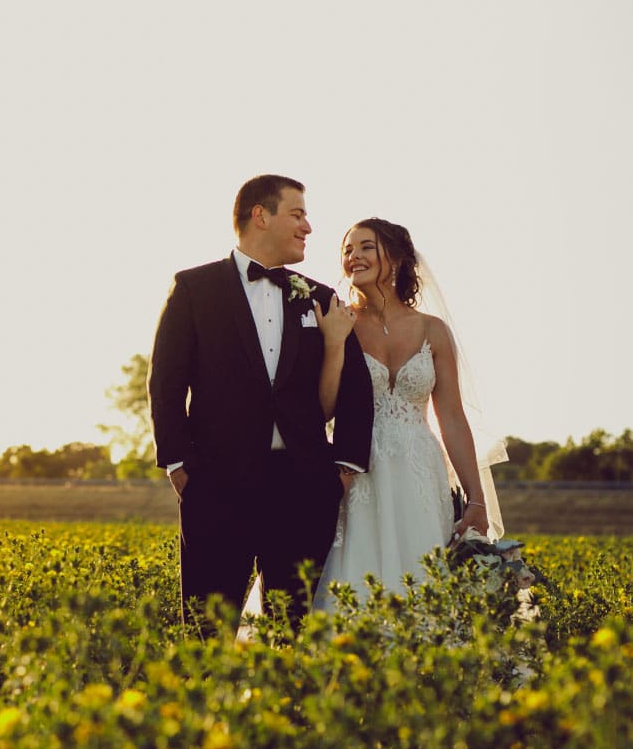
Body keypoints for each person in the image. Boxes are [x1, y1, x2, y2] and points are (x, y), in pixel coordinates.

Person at [148, 175, 374, 625]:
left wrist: (345, 467)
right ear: (260, 215)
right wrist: (179, 465)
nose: (308, 227)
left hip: (303, 489)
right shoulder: (194, 289)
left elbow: (355, 387)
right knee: (208, 629)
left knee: (293, 629)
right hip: (215, 485)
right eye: (297, 214)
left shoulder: (321, 298)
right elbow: (166, 381)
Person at [313, 218, 505, 607]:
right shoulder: (340, 322)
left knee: (424, 572)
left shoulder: (432, 331)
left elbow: (451, 418)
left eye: (366, 247)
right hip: (358, 469)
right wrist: (334, 344)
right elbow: (324, 409)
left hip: (421, 470)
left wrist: (476, 500)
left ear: (397, 258)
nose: (354, 257)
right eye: (348, 250)